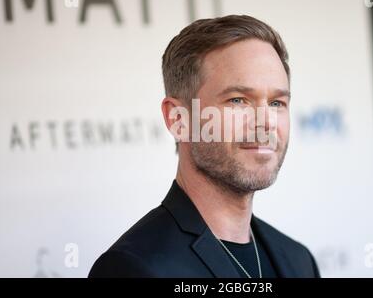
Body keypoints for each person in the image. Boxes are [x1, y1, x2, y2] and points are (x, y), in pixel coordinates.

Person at [89, 15, 320, 278]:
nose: (265, 123)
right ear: (178, 119)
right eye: (238, 100)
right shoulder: (133, 268)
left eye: (277, 103)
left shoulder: (299, 261)